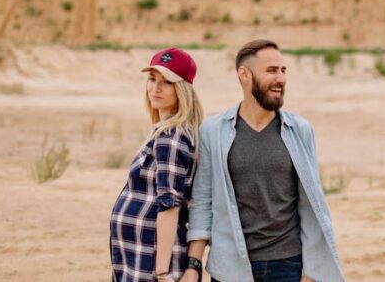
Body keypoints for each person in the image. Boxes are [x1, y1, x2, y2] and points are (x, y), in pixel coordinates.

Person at [181, 39, 345, 282]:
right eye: (271, 71)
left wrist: (311, 274)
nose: (280, 79)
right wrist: (193, 266)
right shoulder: (212, 132)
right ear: (244, 75)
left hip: (287, 265)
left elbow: (311, 202)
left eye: (283, 70)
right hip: (229, 267)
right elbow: (203, 201)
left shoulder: (299, 130)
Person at [111, 47, 205, 282]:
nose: (156, 88)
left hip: (152, 261)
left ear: (182, 89)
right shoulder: (164, 131)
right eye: (152, 79)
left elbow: (169, 204)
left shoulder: (171, 136)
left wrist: (162, 272)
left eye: (167, 82)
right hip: (138, 257)